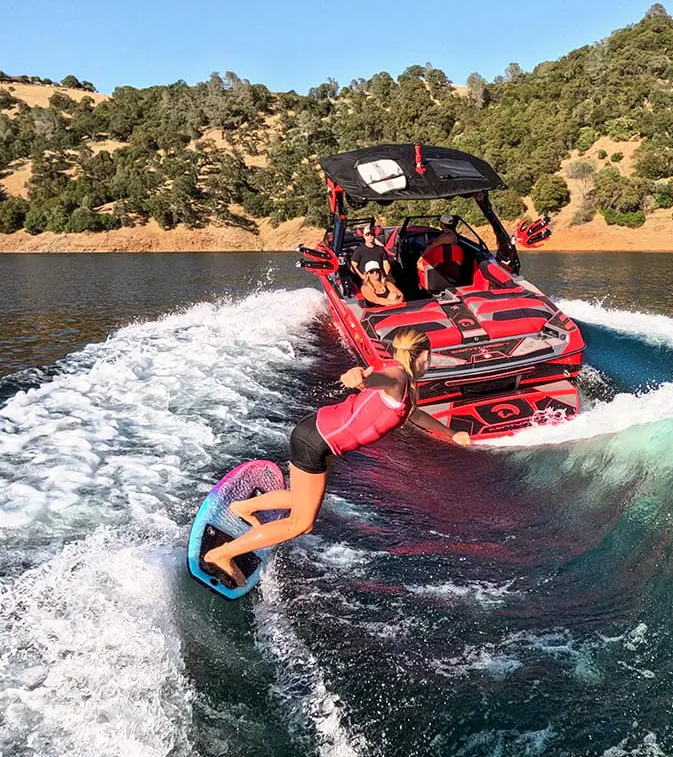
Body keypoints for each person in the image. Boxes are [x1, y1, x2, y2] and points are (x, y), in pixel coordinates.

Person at [202, 328, 470, 587]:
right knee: (301, 523)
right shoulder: (396, 377)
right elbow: (376, 379)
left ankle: (244, 507)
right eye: (429, 357)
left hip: (319, 435)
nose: (429, 363)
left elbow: (414, 414)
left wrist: (451, 433)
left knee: (303, 499)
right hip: (315, 441)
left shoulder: (405, 386)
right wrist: (358, 377)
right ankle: (221, 554)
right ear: (423, 356)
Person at [419, 213, 475, 292]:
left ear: (442, 224)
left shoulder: (446, 236)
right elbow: (438, 241)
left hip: (442, 267)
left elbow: (431, 246)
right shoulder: (452, 235)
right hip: (453, 265)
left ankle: (420, 289)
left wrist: (421, 257)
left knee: (419, 264)